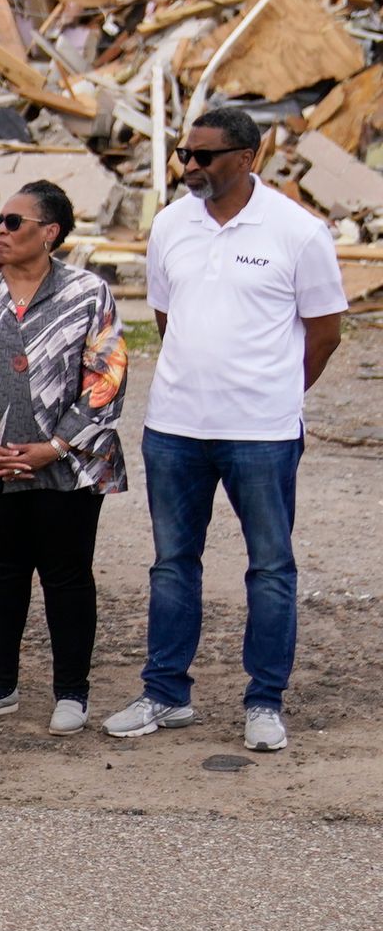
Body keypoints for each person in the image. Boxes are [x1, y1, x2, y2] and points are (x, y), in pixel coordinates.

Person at [103, 108, 346, 754]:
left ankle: (263, 701)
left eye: (205, 156)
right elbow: (166, 313)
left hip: (261, 433)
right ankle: (165, 693)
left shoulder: (298, 231)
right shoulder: (169, 225)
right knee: (171, 566)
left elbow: (324, 333)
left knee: (269, 568)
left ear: (246, 157)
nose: (191, 167)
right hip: (174, 427)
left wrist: (274, 395)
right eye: (186, 153)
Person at [0, 180, 129, 736]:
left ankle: (72, 692)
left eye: (14, 222)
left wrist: (55, 446)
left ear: (50, 233)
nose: (0, 230)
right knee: (0, 571)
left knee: (66, 576)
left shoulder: (89, 294)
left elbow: (106, 377)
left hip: (68, 464)